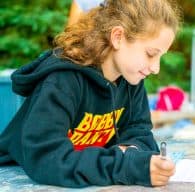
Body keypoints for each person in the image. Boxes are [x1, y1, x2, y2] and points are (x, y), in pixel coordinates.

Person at [0, 0, 181, 188]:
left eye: (161, 56)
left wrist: (131, 153)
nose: (156, 68)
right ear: (118, 37)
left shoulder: (131, 80)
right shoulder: (63, 81)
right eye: (151, 54)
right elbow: (46, 158)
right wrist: (125, 164)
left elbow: (140, 132)